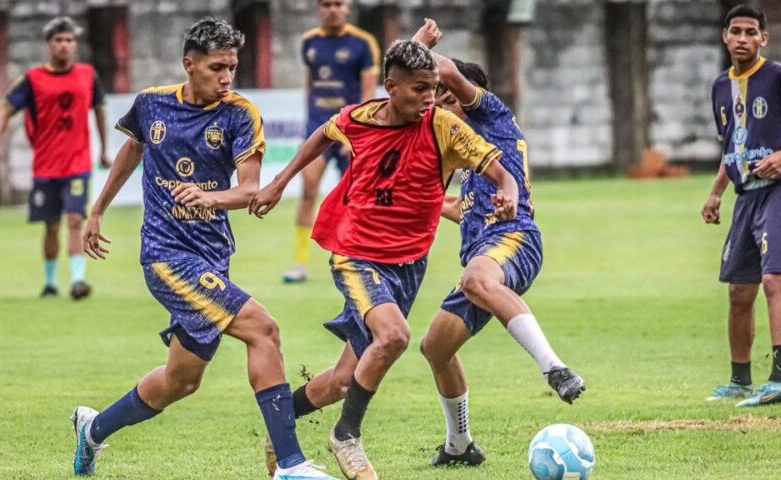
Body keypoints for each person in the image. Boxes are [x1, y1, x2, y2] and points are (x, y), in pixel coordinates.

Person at [72, 18, 337, 480]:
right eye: (217, 67)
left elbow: (250, 190)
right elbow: (132, 150)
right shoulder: (152, 104)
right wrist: (98, 209)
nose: (226, 78)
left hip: (212, 256)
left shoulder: (240, 114)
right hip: (165, 256)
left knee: (181, 381)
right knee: (264, 329)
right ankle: (291, 467)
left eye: (232, 67)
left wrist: (210, 196)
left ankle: (93, 430)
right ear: (189, 65)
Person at [251, 40, 520, 480]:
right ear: (391, 89)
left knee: (343, 380)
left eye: (435, 88)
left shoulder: (445, 127)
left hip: (408, 265)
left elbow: (499, 169)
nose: (431, 99)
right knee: (394, 336)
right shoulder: (360, 118)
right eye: (420, 90)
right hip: (356, 254)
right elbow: (323, 133)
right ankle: (346, 436)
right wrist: (279, 182)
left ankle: (280, 428)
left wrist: (507, 189)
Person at [410, 20, 585, 467]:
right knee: (435, 347)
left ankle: (555, 368)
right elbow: (456, 208)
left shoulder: (495, 120)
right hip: (483, 261)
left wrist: (417, 48)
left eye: (449, 100)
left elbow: (444, 70)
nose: (443, 110)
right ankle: (460, 445)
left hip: (516, 239)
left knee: (475, 278)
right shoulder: (460, 155)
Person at [702, 5, 781, 407]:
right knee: (740, 290)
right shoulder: (721, 87)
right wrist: (716, 192)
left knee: (776, 281)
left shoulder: (780, 78)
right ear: (725, 36)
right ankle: (740, 380)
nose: (742, 39)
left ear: (763, 39)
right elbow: (733, 146)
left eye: (751, 32)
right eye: (735, 31)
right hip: (746, 197)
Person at [0, 16, 110, 300]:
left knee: (76, 219)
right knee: (51, 225)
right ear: (49, 45)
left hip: (78, 162)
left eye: (69, 40)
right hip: (46, 165)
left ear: (75, 44)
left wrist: (103, 148)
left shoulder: (88, 75)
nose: (64, 46)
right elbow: (5, 108)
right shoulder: (32, 80)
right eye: (59, 40)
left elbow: (100, 109)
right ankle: (51, 282)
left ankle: (79, 281)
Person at [283, 0, 380, 283]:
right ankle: (301, 264)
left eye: (338, 4)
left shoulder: (364, 44)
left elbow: (369, 94)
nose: (332, 9)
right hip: (318, 127)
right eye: (326, 4)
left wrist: (359, 133)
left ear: (348, 8)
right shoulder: (309, 42)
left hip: (351, 128)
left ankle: (361, 258)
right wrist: (309, 125)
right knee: (308, 190)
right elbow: (310, 86)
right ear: (318, 9)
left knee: (358, 196)